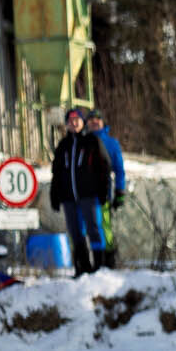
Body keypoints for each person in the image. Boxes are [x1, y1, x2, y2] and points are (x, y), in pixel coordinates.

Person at [49, 106, 112, 276]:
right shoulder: (63, 146)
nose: (74, 123)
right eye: (70, 121)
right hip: (69, 197)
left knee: (93, 228)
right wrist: (55, 195)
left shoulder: (92, 142)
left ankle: (99, 266)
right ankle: (81, 267)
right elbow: (56, 173)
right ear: (66, 124)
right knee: (75, 231)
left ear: (82, 122)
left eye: (77, 120)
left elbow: (104, 167)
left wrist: (104, 191)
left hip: (89, 195)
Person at [86, 111, 126, 268]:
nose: (94, 122)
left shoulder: (111, 143)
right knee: (88, 229)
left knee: (104, 226)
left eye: (98, 119)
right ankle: (92, 262)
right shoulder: (83, 141)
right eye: (91, 120)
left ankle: (108, 261)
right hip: (85, 195)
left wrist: (120, 191)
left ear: (103, 122)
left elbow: (119, 170)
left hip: (103, 195)